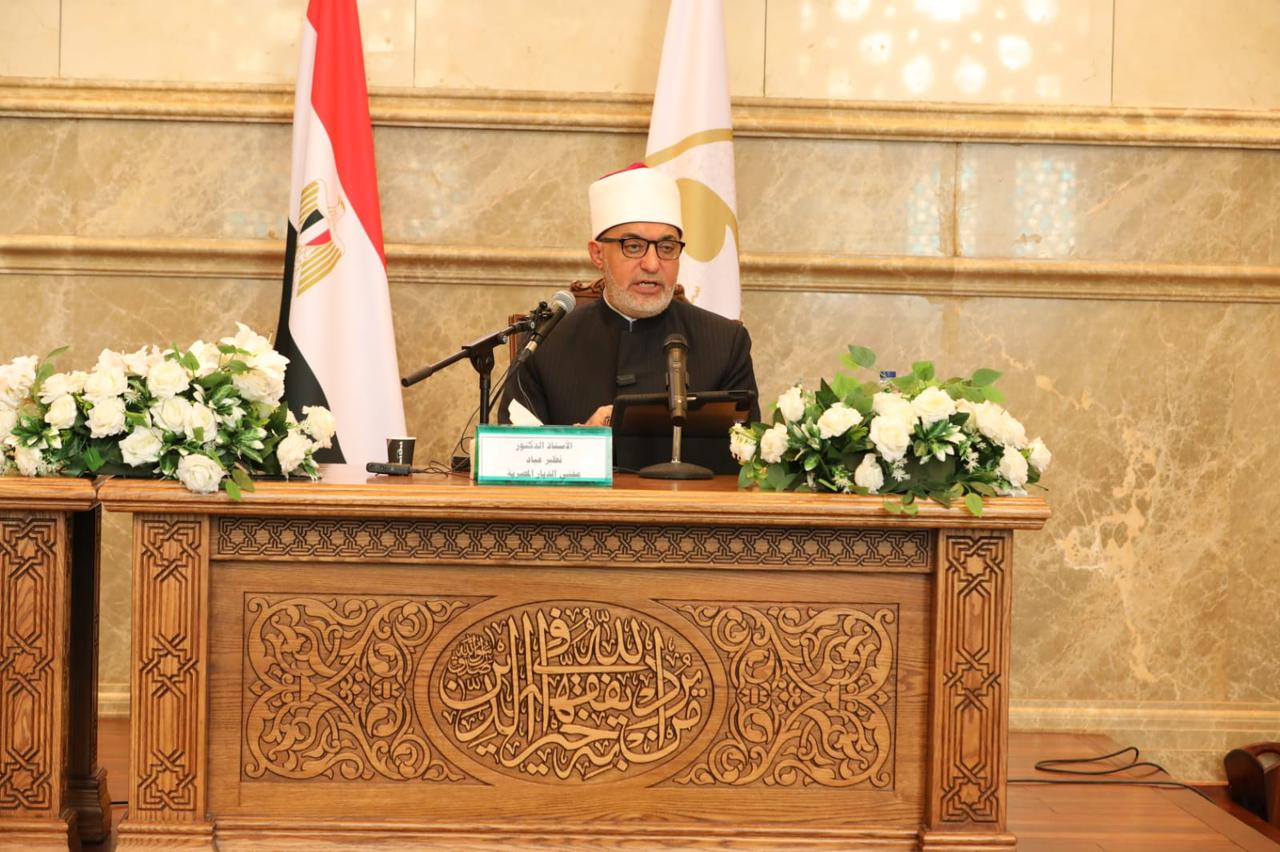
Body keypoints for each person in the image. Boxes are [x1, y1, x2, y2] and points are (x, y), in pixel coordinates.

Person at [499, 163, 759, 471]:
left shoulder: (726, 343)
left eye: (667, 247)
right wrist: (581, 443)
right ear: (598, 254)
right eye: (633, 246)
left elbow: (746, 462)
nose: (652, 264)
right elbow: (511, 457)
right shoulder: (545, 342)